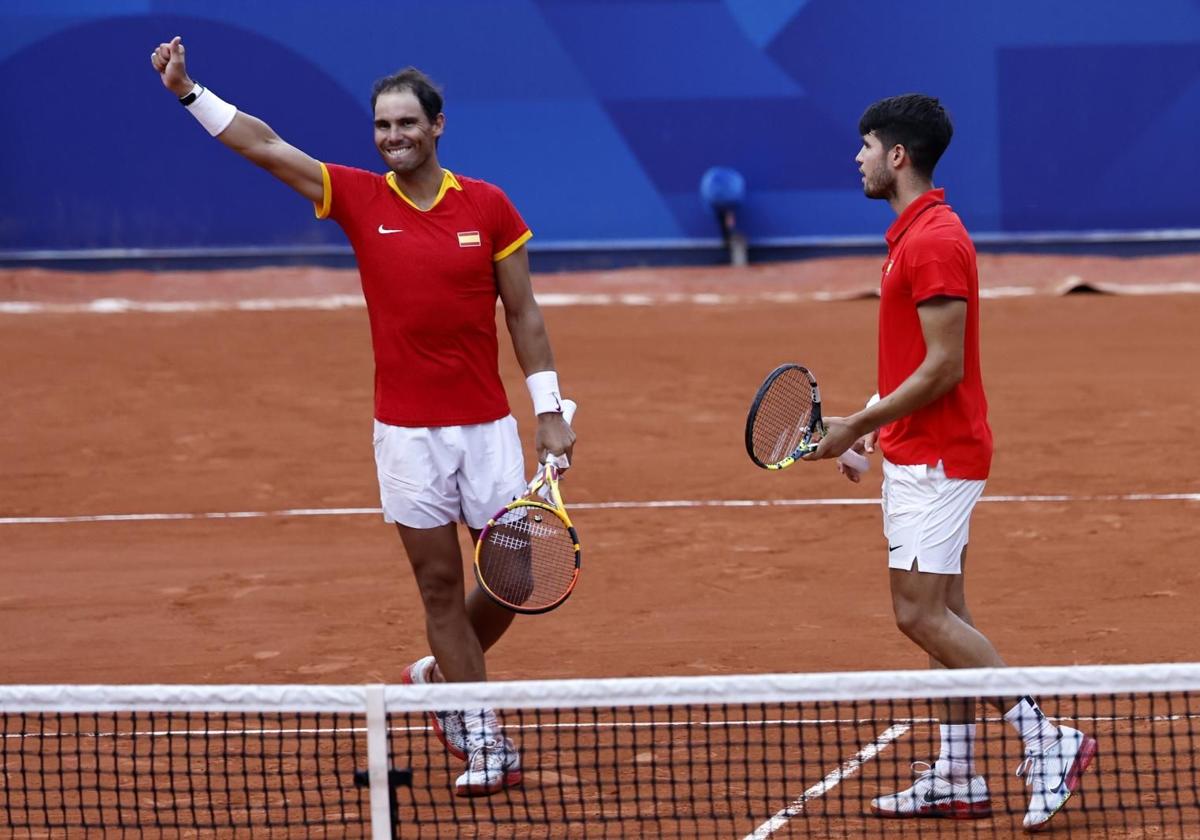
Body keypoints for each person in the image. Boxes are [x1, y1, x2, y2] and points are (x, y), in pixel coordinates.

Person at [150, 36, 575, 797]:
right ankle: (483, 736)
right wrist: (189, 91)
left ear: (437, 126)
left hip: (486, 429)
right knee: (441, 588)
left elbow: (526, 314)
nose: (392, 137)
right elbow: (266, 146)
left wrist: (549, 412)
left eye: (406, 123)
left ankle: (438, 675)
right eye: (382, 126)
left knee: (513, 574)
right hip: (406, 434)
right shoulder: (356, 195)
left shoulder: (488, 205)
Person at [804, 94, 1096, 830]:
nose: (859, 157)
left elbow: (943, 368)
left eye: (866, 145)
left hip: (940, 457)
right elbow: (914, 359)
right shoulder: (912, 235)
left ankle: (1046, 739)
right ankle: (957, 774)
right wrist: (875, 423)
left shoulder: (933, 240)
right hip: (915, 449)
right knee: (949, 610)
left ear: (898, 156)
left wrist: (856, 425)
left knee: (918, 612)